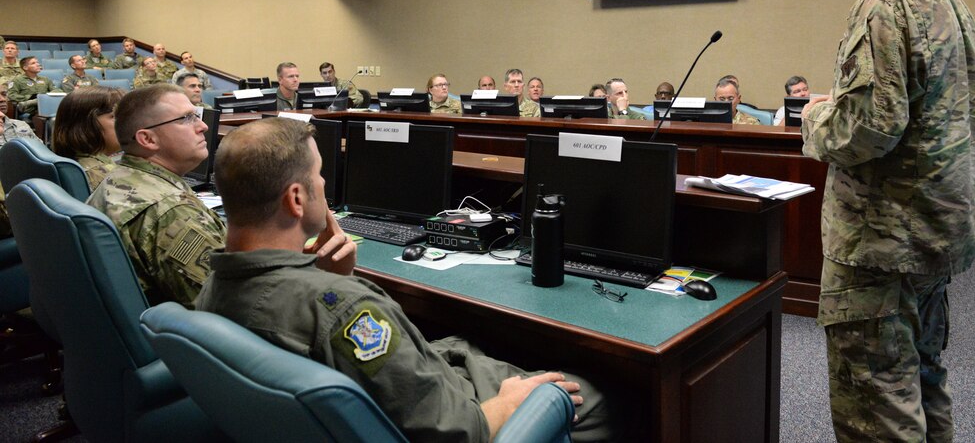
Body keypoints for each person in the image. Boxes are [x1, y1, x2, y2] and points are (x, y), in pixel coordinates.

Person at [197, 118, 621, 442]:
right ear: (296, 197)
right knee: (602, 397)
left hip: (408, 393)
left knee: (468, 344)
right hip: (467, 417)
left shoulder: (211, 290)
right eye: (320, 175)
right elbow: (460, 431)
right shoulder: (346, 311)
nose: (325, 184)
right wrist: (509, 402)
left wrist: (322, 279)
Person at [801, 0, 975, 443]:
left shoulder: (883, 3)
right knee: (924, 383)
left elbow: (868, 130)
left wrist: (813, 114)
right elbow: (920, 109)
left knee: (877, 407)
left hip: (879, 246)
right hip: (932, 233)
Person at [87, 84, 226, 307]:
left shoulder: (120, 176)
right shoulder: (171, 211)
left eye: (196, 116)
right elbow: (227, 306)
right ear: (148, 139)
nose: (202, 126)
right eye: (186, 118)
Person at [52, 86, 124, 191]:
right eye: (116, 116)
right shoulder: (107, 178)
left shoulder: (75, 160)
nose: (128, 123)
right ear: (86, 125)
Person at [0, 84, 36, 238]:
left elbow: (42, 155)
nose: (2, 99)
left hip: (31, 184)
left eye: (3, 94)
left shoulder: (21, 125)